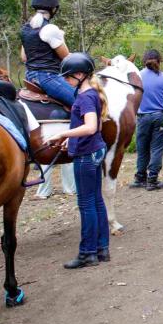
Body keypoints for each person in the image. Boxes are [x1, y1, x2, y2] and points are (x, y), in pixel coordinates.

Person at [48, 53, 111, 269]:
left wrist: (63, 135)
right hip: (95, 150)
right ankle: (102, 249)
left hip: (86, 157)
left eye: (68, 77)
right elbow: (97, 129)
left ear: (79, 75)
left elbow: (91, 126)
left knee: (86, 204)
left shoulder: (84, 97)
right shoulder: (93, 94)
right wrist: (72, 140)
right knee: (97, 200)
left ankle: (87, 253)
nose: (66, 81)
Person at [20, 0, 74, 106]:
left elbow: (24, 58)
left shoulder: (26, 28)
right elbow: (66, 57)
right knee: (83, 102)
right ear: (53, 9)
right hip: (48, 77)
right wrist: (61, 36)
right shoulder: (50, 29)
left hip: (29, 76)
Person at [130, 49, 163, 191]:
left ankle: (139, 178)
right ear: (159, 61)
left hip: (143, 117)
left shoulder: (137, 77)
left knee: (142, 148)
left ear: (144, 61)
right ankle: (152, 180)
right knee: (157, 148)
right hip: (160, 116)